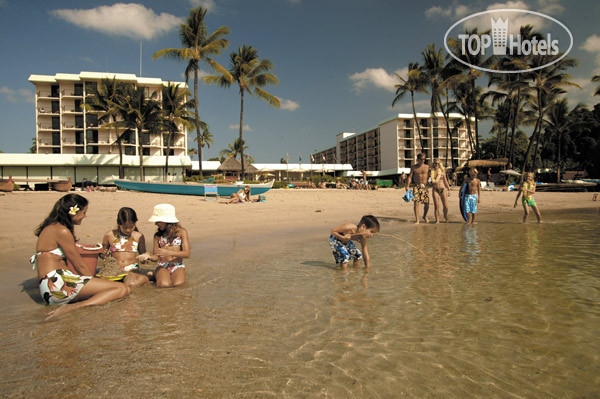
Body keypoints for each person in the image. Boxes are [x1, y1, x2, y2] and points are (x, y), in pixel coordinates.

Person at [31, 194, 129, 320]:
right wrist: (94, 282)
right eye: (83, 212)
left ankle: (73, 305)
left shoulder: (51, 228)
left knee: (114, 289)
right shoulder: (62, 231)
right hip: (57, 285)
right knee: (122, 289)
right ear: (73, 212)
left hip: (49, 286)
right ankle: (74, 307)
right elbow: (79, 264)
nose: (85, 216)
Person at [138, 204, 190, 288]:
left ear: (167, 221)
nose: (156, 224)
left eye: (158, 221)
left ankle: (155, 275)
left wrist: (168, 252)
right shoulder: (157, 236)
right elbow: (156, 257)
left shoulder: (181, 232)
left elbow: (187, 253)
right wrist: (149, 257)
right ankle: (157, 274)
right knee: (164, 285)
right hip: (163, 265)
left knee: (179, 285)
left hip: (177, 265)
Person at [100, 207, 150, 287]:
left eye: (131, 227)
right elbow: (102, 254)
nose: (128, 230)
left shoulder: (138, 236)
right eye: (125, 227)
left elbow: (143, 253)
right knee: (106, 286)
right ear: (119, 223)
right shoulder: (109, 235)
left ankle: (144, 278)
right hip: (114, 268)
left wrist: (145, 257)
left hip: (131, 268)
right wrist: (104, 254)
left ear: (135, 223)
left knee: (131, 284)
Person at [405, 152, 430, 224]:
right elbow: (410, 177)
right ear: (418, 159)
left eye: (424, 159)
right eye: (421, 159)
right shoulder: (414, 167)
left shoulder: (427, 167)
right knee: (416, 203)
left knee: (427, 203)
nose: (423, 160)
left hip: (425, 186)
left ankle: (424, 216)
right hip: (416, 186)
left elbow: (431, 176)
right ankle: (417, 220)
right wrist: (407, 185)